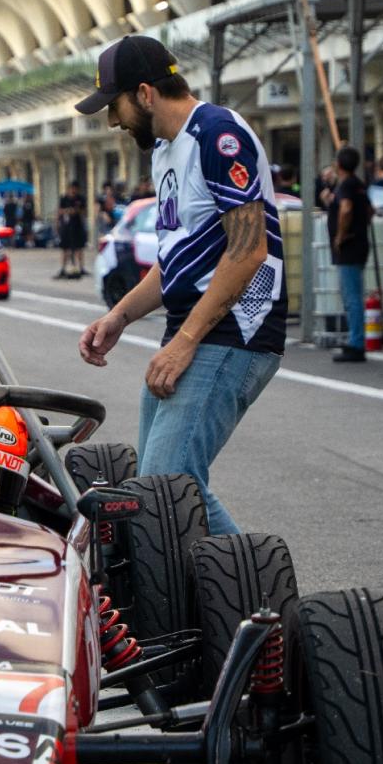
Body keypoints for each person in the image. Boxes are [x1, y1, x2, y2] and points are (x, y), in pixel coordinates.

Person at [75, 35, 285, 535]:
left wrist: (185, 341)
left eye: (115, 105)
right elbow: (176, 261)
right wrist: (120, 316)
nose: (112, 121)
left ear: (145, 93)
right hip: (194, 329)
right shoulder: (166, 150)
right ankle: (195, 605)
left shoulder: (216, 134)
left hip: (235, 331)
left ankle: (265, 603)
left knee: (170, 486)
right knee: (153, 494)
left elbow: (249, 249)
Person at [327, 145, 374, 363]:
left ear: (339, 164)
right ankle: (355, 338)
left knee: (351, 296)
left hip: (348, 247)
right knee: (352, 294)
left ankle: (356, 343)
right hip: (360, 243)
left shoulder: (346, 186)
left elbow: (346, 209)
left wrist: (340, 234)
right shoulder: (358, 185)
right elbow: (369, 211)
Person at [56, 181, 88, 279]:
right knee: (65, 248)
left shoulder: (80, 199)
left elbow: (84, 211)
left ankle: (81, 268)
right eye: (71, 188)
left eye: (75, 189)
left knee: (79, 248)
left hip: (77, 226)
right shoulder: (64, 198)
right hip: (66, 227)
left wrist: (76, 211)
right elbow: (59, 211)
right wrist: (67, 211)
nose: (73, 190)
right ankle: (63, 268)